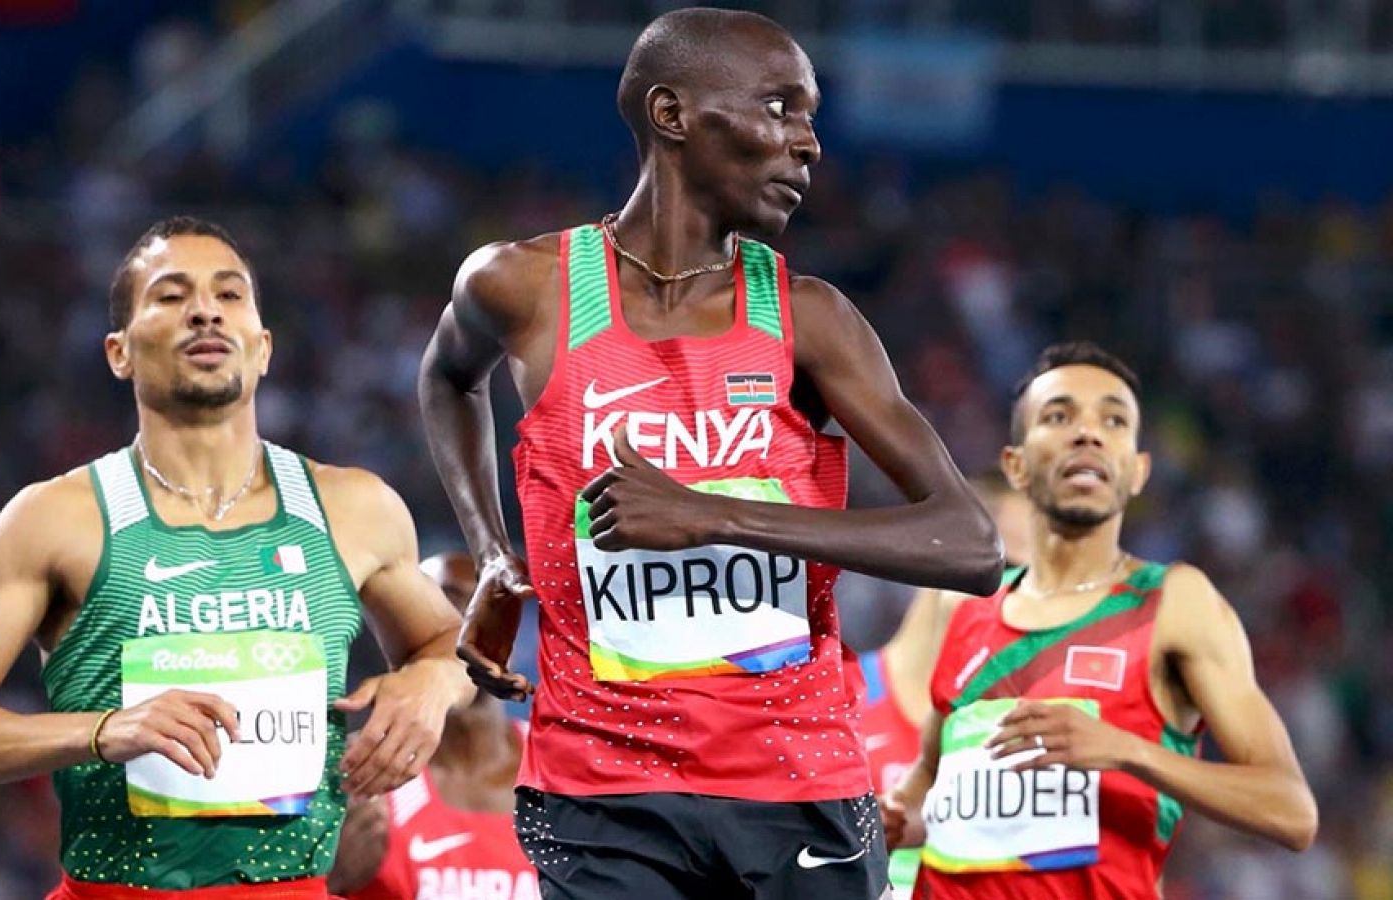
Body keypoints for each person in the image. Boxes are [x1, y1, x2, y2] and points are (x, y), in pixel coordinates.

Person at [419, 8, 1003, 898]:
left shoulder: (811, 318)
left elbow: (970, 545)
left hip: (796, 780)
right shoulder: (523, 288)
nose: (808, 143)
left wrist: (712, 517)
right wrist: (496, 554)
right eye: (779, 108)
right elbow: (448, 379)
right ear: (673, 115)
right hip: (602, 790)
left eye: (810, 118)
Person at [0, 217, 475, 899]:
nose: (205, 311)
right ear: (119, 353)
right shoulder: (56, 519)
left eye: (229, 295)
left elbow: (454, 647)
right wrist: (106, 730)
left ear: (263, 347)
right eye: (171, 296)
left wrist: (432, 685)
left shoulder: (355, 509)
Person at [882, 341, 1319, 899]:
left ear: (1137, 471)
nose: (1088, 433)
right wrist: (899, 821)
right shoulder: (968, 616)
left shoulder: (1173, 603)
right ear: (1016, 465)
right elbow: (928, 785)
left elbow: (1291, 811)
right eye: (1059, 416)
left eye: (1113, 421)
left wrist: (1126, 749)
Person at [856, 474, 1033, 900]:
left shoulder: (1032, 733)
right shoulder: (835, 702)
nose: (1027, 603)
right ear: (936, 561)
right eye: (1007, 572)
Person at [328, 553, 536, 900]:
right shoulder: (360, 768)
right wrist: (331, 882)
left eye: (486, 608)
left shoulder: (557, 766)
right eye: (443, 609)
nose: (465, 629)